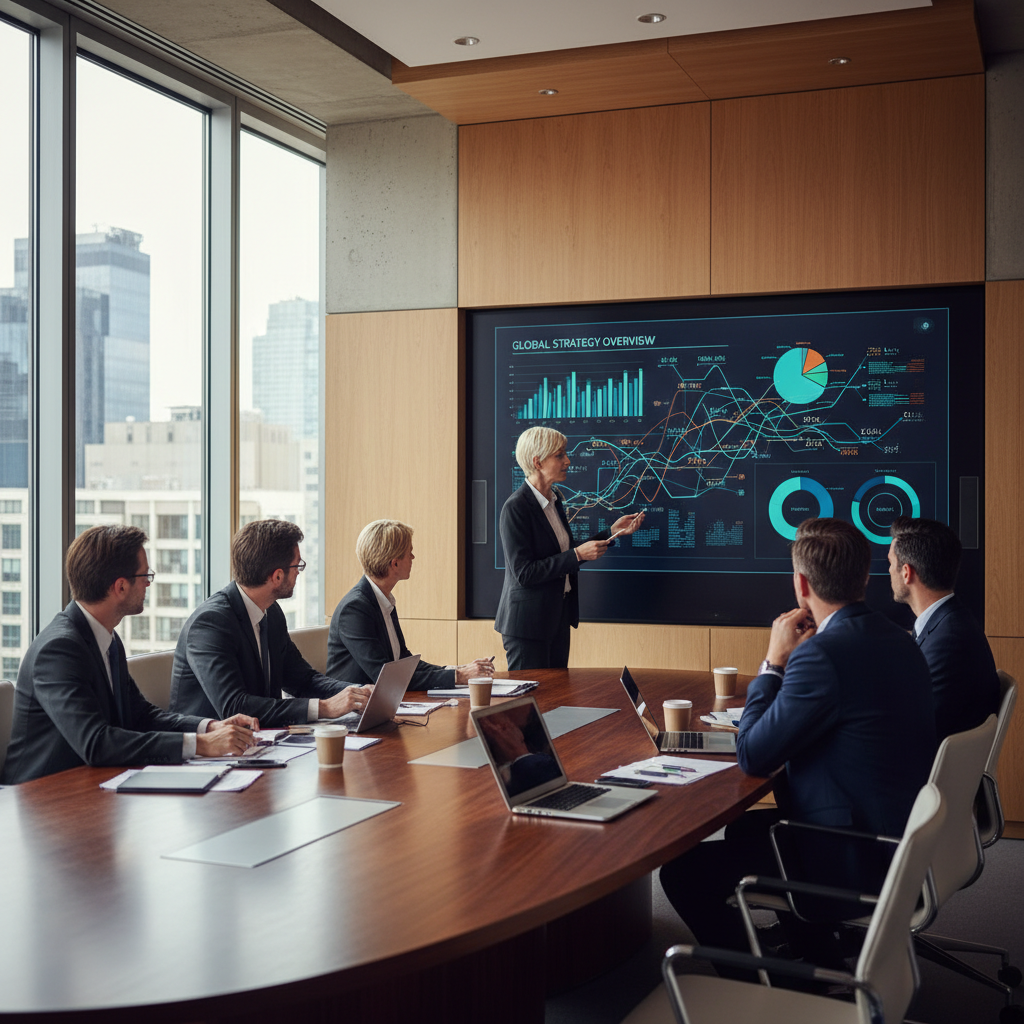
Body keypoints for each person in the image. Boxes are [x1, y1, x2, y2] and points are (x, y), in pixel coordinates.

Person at [659, 517, 935, 969]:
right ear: (863, 577)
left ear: (800, 583)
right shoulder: (899, 638)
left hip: (852, 855)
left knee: (683, 873)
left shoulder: (821, 654)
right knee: (746, 829)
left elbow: (753, 755)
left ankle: (761, 982)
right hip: (898, 835)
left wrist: (773, 663)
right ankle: (819, 960)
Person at [1, 526, 256, 785]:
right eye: (145, 574)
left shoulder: (107, 638)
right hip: (40, 799)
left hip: (95, 786)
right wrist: (199, 744)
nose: (148, 582)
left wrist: (210, 727)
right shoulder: (57, 650)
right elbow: (96, 742)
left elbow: (141, 715)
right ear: (120, 586)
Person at [170, 519, 370, 728]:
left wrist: (358, 692)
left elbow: (302, 680)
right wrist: (325, 708)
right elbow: (234, 706)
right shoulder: (210, 623)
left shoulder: (271, 611)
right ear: (277, 576)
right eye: (297, 565)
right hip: (209, 752)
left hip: (262, 742)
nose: (299, 572)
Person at [494, 426, 645, 670]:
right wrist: (576, 555)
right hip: (528, 627)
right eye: (559, 455)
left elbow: (563, 553)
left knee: (555, 703)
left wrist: (611, 532)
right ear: (538, 461)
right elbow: (524, 573)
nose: (567, 460)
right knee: (530, 704)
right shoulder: (515, 508)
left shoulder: (555, 500)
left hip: (556, 620)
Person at [328, 519, 493, 689]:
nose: (413, 557)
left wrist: (457, 670)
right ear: (395, 563)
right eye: (410, 552)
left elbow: (404, 662)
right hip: (354, 711)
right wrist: (458, 676)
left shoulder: (383, 600)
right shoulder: (355, 609)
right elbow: (387, 677)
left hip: (383, 702)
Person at [888, 515, 1000, 742]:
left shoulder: (949, 641)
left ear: (906, 572)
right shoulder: (950, 622)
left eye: (891, 563)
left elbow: (911, 730)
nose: (889, 570)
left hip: (923, 773)